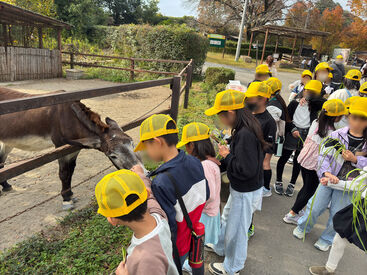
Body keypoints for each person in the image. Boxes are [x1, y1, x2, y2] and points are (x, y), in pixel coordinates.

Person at [134, 114, 209, 275]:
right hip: (192, 232)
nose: (146, 151)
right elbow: (206, 193)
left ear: (157, 142)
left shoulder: (162, 182)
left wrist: (142, 180)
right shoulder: (195, 162)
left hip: (176, 246)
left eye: (146, 146)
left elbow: (164, 225)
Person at [293, 97, 367, 252]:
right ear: (348, 116)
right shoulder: (337, 135)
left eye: (363, 118)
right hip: (328, 179)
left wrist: (355, 160)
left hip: (348, 186)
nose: (358, 122)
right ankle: (303, 226)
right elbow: (323, 155)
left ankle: (326, 238)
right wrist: (325, 172)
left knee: (337, 214)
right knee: (314, 206)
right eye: (354, 117)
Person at [205, 90, 265, 275]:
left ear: (230, 113)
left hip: (245, 190)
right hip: (242, 188)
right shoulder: (245, 125)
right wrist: (223, 161)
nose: (219, 120)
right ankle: (221, 246)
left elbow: (244, 169)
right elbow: (244, 160)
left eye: (219, 115)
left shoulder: (245, 133)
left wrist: (227, 156)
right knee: (227, 218)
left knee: (238, 230)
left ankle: (232, 267)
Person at [95, 169, 179, 275]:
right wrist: (141, 175)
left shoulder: (145, 260)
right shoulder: (158, 214)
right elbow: (150, 197)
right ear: (147, 194)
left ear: (112, 220)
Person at [283, 99, 346, 224]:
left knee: (306, 187)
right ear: (336, 117)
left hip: (305, 159)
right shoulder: (332, 133)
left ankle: (296, 210)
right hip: (316, 164)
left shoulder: (316, 123)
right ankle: (292, 214)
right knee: (309, 190)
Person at [177, 122, 221, 274]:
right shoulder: (209, 161)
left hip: (204, 214)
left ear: (193, 145)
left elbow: (209, 194)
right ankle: (194, 263)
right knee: (198, 242)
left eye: (187, 146)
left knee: (196, 241)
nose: (186, 149)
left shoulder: (205, 166)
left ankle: (191, 265)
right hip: (208, 211)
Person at [275, 80, 326, 197]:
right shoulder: (294, 103)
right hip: (293, 132)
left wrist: (310, 99)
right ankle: (278, 180)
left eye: (314, 93)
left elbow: (324, 102)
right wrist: (292, 129)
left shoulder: (316, 105)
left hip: (306, 134)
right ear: (303, 90)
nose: (310, 94)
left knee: (298, 160)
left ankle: (292, 183)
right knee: (284, 157)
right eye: (308, 91)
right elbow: (286, 118)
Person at [244, 81, 276, 197]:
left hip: (256, 160)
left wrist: (265, 158)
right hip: (245, 159)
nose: (247, 100)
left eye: (250, 98)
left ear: (262, 99)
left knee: (265, 164)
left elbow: (269, 144)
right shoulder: (247, 113)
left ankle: (266, 188)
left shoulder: (269, 122)